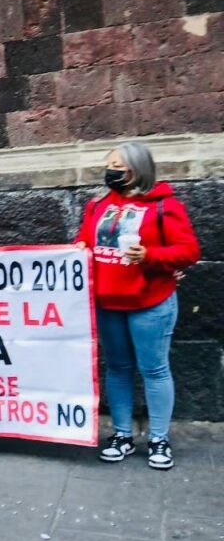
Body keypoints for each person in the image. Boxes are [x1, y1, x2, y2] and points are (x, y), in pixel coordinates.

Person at [74, 141, 200, 470]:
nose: (111, 171)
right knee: (117, 368)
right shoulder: (98, 206)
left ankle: (159, 437)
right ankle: (121, 435)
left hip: (150, 303)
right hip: (107, 302)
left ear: (136, 170)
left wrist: (151, 257)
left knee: (154, 369)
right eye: (110, 164)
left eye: (118, 165)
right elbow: (84, 241)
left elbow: (188, 251)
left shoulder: (165, 206)